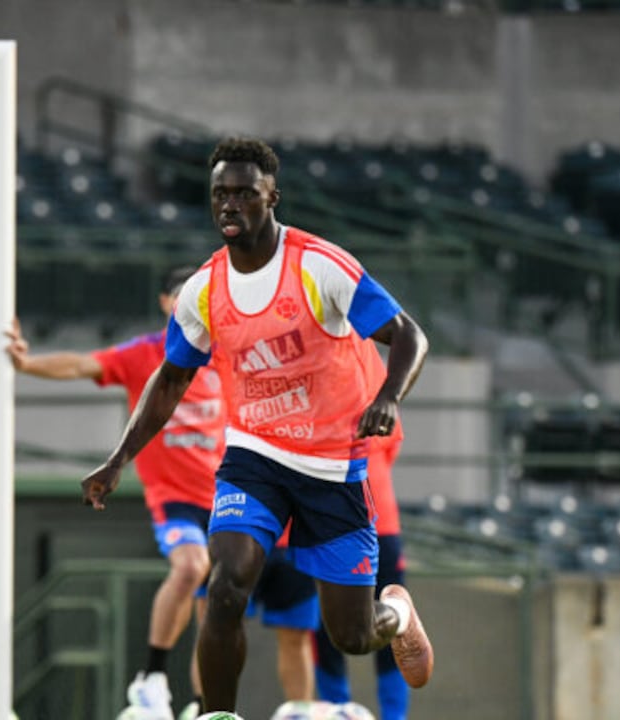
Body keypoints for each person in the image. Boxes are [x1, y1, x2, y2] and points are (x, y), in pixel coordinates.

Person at [79, 137, 434, 715]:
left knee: (352, 634)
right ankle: (218, 713)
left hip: (333, 465)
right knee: (225, 584)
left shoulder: (320, 265)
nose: (229, 204)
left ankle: (395, 612)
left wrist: (390, 396)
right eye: (220, 193)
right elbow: (169, 380)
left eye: (244, 192)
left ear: (273, 196)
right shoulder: (203, 290)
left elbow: (410, 335)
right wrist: (118, 459)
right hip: (255, 458)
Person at [4, 267, 324, 720]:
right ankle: (151, 679)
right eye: (179, 296)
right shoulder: (147, 355)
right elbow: (82, 364)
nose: (188, 304)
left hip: (227, 499)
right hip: (174, 498)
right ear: (165, 303)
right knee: (191, 565)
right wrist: (28, 364)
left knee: (211, 616)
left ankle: (203, 706)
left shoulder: (231, 354)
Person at [313, 423, 411, 720]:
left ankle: (395, 716)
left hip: (381, 524)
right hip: (329, 527)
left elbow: (390, 446)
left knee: (392, 627)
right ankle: (335, 710)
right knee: (325, 626)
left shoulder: (378, 392)